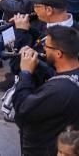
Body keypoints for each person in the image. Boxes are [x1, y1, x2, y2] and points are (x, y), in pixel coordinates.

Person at [13, 25, 79, 155]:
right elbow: (60, 75)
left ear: (59, 53)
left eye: (47, 46)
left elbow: (22, 110)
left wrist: (26, 72)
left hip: (44, 148)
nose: (43, 49)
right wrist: (39, 65)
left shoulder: (58, 91)